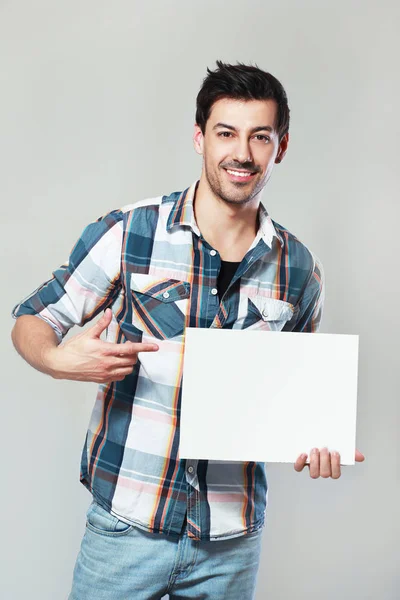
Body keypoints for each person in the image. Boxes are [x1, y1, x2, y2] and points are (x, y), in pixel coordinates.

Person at [11, 61, 364, 600]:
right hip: (126, 528)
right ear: (200, 138)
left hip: (230, 541)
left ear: (280, 148)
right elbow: (34, 317)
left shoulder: (299, 268)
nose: (241, 152)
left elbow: (297, 395)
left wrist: (319, 438)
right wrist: (57, 360)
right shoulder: (132, 231)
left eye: (259, 137)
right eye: (226, 133)